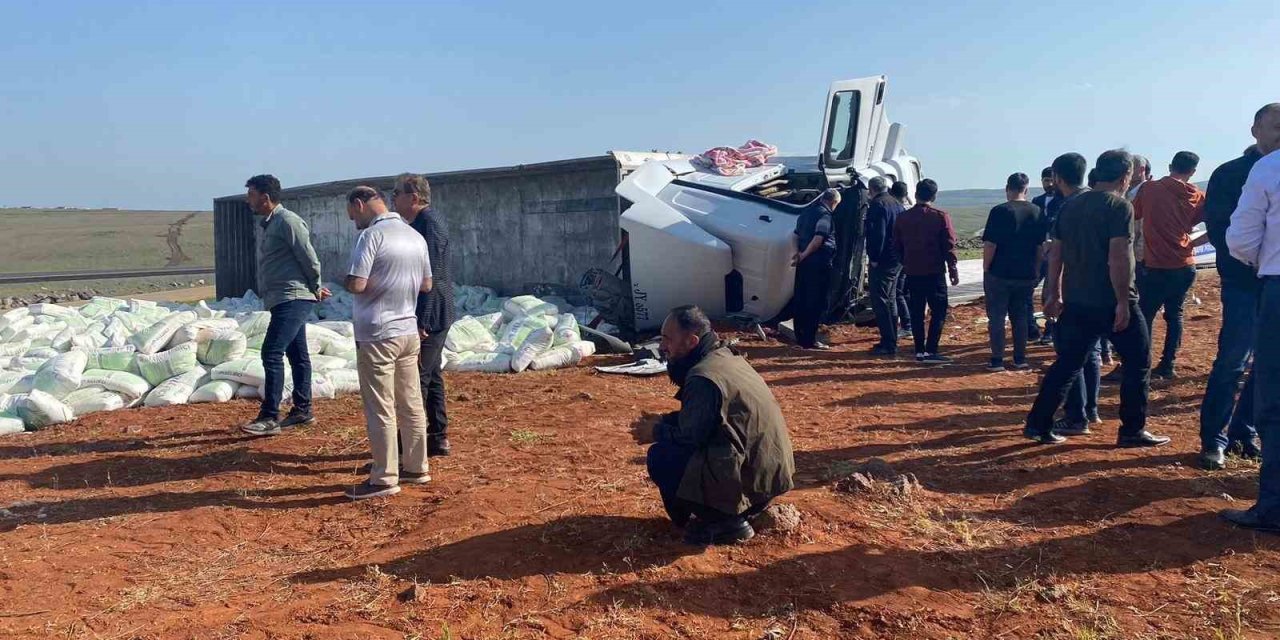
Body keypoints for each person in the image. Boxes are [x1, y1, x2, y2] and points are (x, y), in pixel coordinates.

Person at [1023, 151, 1169, 447]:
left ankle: (1038, 424)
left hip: (1077, 300)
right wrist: (1123, 302)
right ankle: (1131, 430)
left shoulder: (1070, 206)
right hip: (1111, 301)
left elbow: (1056, 255)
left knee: (1067, 364)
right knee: (1139, 362)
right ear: (1126, 176)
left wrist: (1053, 293)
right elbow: (1118, 258)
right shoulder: (1119, 206)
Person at [630, 305, 795, 545]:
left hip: (750, 487)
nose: (662, 347)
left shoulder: (702, 377)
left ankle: (724, 522)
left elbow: (691, 438)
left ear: (692, 341)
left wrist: (655, 431)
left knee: (662, 456)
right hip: (769, 481)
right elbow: (714, 419)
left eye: (667, 339)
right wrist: (665, 420)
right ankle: (725, 513)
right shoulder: (724, 356)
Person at [1198, 104, 1280, 471]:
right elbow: (1220, 231)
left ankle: (1243, 434)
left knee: (1267, 365)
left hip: (1273, 283)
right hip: (1245, 283)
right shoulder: (1231, 173)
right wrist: (1256, 264)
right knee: (1233, 362)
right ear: (1255, 130)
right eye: (1275, 126)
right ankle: (1213, 439)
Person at [342, 187, 434, 500]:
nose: (352, 220)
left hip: (377, 333)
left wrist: (346, 279)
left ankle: (383, 477)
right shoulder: (414, 236)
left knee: (380, 406)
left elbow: (357, 283)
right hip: (408, 331)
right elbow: (427, 284)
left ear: (359, 204)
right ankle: (417, 466)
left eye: (352, 213)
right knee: (410, 403)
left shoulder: (371, 236)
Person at [241, 175, 331, 437]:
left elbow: (309, 256)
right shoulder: (270, 224)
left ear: (265, 198)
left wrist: (315, 286)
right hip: (282, 298)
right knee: (297, 355)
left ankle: (270, 416)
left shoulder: (288, 221)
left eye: (252, 195)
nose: (249, 200)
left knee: (271, 351)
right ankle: (303, 410)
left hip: (294, 297)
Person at [1222, 136, 1280, 534]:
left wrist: (1264, 263)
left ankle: (1273, 509)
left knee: (1274, 400)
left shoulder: (1269, 166)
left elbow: (1241, 238)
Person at [394, 173, 456, 457]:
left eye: (397, 194)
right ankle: (438, 436)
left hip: (432, 313)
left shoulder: (428, 225)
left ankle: (410, 441)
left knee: (416, 376)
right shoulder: (424, 223)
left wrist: (422, 321)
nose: (393, 200)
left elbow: (428, 277)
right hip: (437, 310)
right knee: (432, 375)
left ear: (414, 198)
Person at [1133, 152, 1208, 380]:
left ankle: (1139, 363)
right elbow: (1209, 226)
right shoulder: (1197, 196)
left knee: (1145, 315)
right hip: (1184, 264)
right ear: (1193, 172)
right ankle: (1168, 364)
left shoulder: (1150, 189)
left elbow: (1133, 213)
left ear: (1169, 165)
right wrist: (1188, 243)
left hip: (1156, 264)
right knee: (1175, 315)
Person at [981, 173, 1047, 371]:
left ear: (1007, 188)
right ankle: (1020, 358)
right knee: (1020, 316)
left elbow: (990, 244)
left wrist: (986, 266)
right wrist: (1035, 269)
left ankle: (997, 359)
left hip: (999, 272)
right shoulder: (1036, 211)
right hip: (1025, 273)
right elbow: (1039, 247)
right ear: (1026, 189)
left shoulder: (999, 211)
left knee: (997, 317)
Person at [893, 179, 959, 364]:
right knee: (938, 311)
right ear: (934, 196)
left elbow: (896, 245)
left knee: (916, 311)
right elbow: (949, 245)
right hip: (935, 272)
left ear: (916, 194)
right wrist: (952, 268)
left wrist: (905, 263)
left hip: (912, 272)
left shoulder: (903, 218)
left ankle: (919, 350)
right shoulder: (940, 216)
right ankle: (931, 350)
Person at [1101, 155, 1152, 379]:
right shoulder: (1124, 201)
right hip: (1125, 270)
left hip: (1136, 260)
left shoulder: (1145, 193)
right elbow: (1122, 250)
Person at [790, 189, 839, 349]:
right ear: (833, 202)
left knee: (801, 298)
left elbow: (796, 235)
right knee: (815, 301)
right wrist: (804, 255)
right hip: (817, 263)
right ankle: (809, 340)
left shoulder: (806, 213)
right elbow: (818, 238)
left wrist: (798, 254)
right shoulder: (825, 216)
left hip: (804, 262)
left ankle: (800, 336)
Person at [864, 177, 906, 356]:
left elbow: (877, 234)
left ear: (871, 189)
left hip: (883, 260)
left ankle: (888, 343)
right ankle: (891, 339)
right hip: (896, 259)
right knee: (891, 299)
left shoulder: (878, 205)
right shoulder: (897, 204)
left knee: (880, 301)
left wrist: (873, 257)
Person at [1029, 167, 1057, 341]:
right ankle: (1031, 328)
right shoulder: (1037, 201)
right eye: (1046, 180)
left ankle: (1050, 329)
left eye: (1051, 180)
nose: (1049, 183)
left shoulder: (1064, 200)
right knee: (1029, 288)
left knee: (1051, 290)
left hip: (1056, 251)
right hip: (1039, 252)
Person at [889, 181, 913, 338]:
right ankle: (909, 323)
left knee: (898, 292)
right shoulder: (910, 208)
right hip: (912, 256)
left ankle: (906, 325)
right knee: (906, 292)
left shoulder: (899, 211)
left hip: (902, 257)